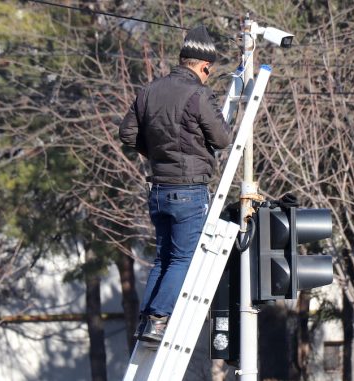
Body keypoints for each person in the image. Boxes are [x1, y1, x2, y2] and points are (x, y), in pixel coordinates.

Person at [119, 25, 231, 345]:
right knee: (183, 260)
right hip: (189, 190)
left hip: (157, 191)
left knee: (163, 259)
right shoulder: (198, 94)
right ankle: (157, 320)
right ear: (203, 65)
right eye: (209, 71)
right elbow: (222, 139)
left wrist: (155, 151)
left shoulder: (149, 91)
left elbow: (127, 134)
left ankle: (146, 320)